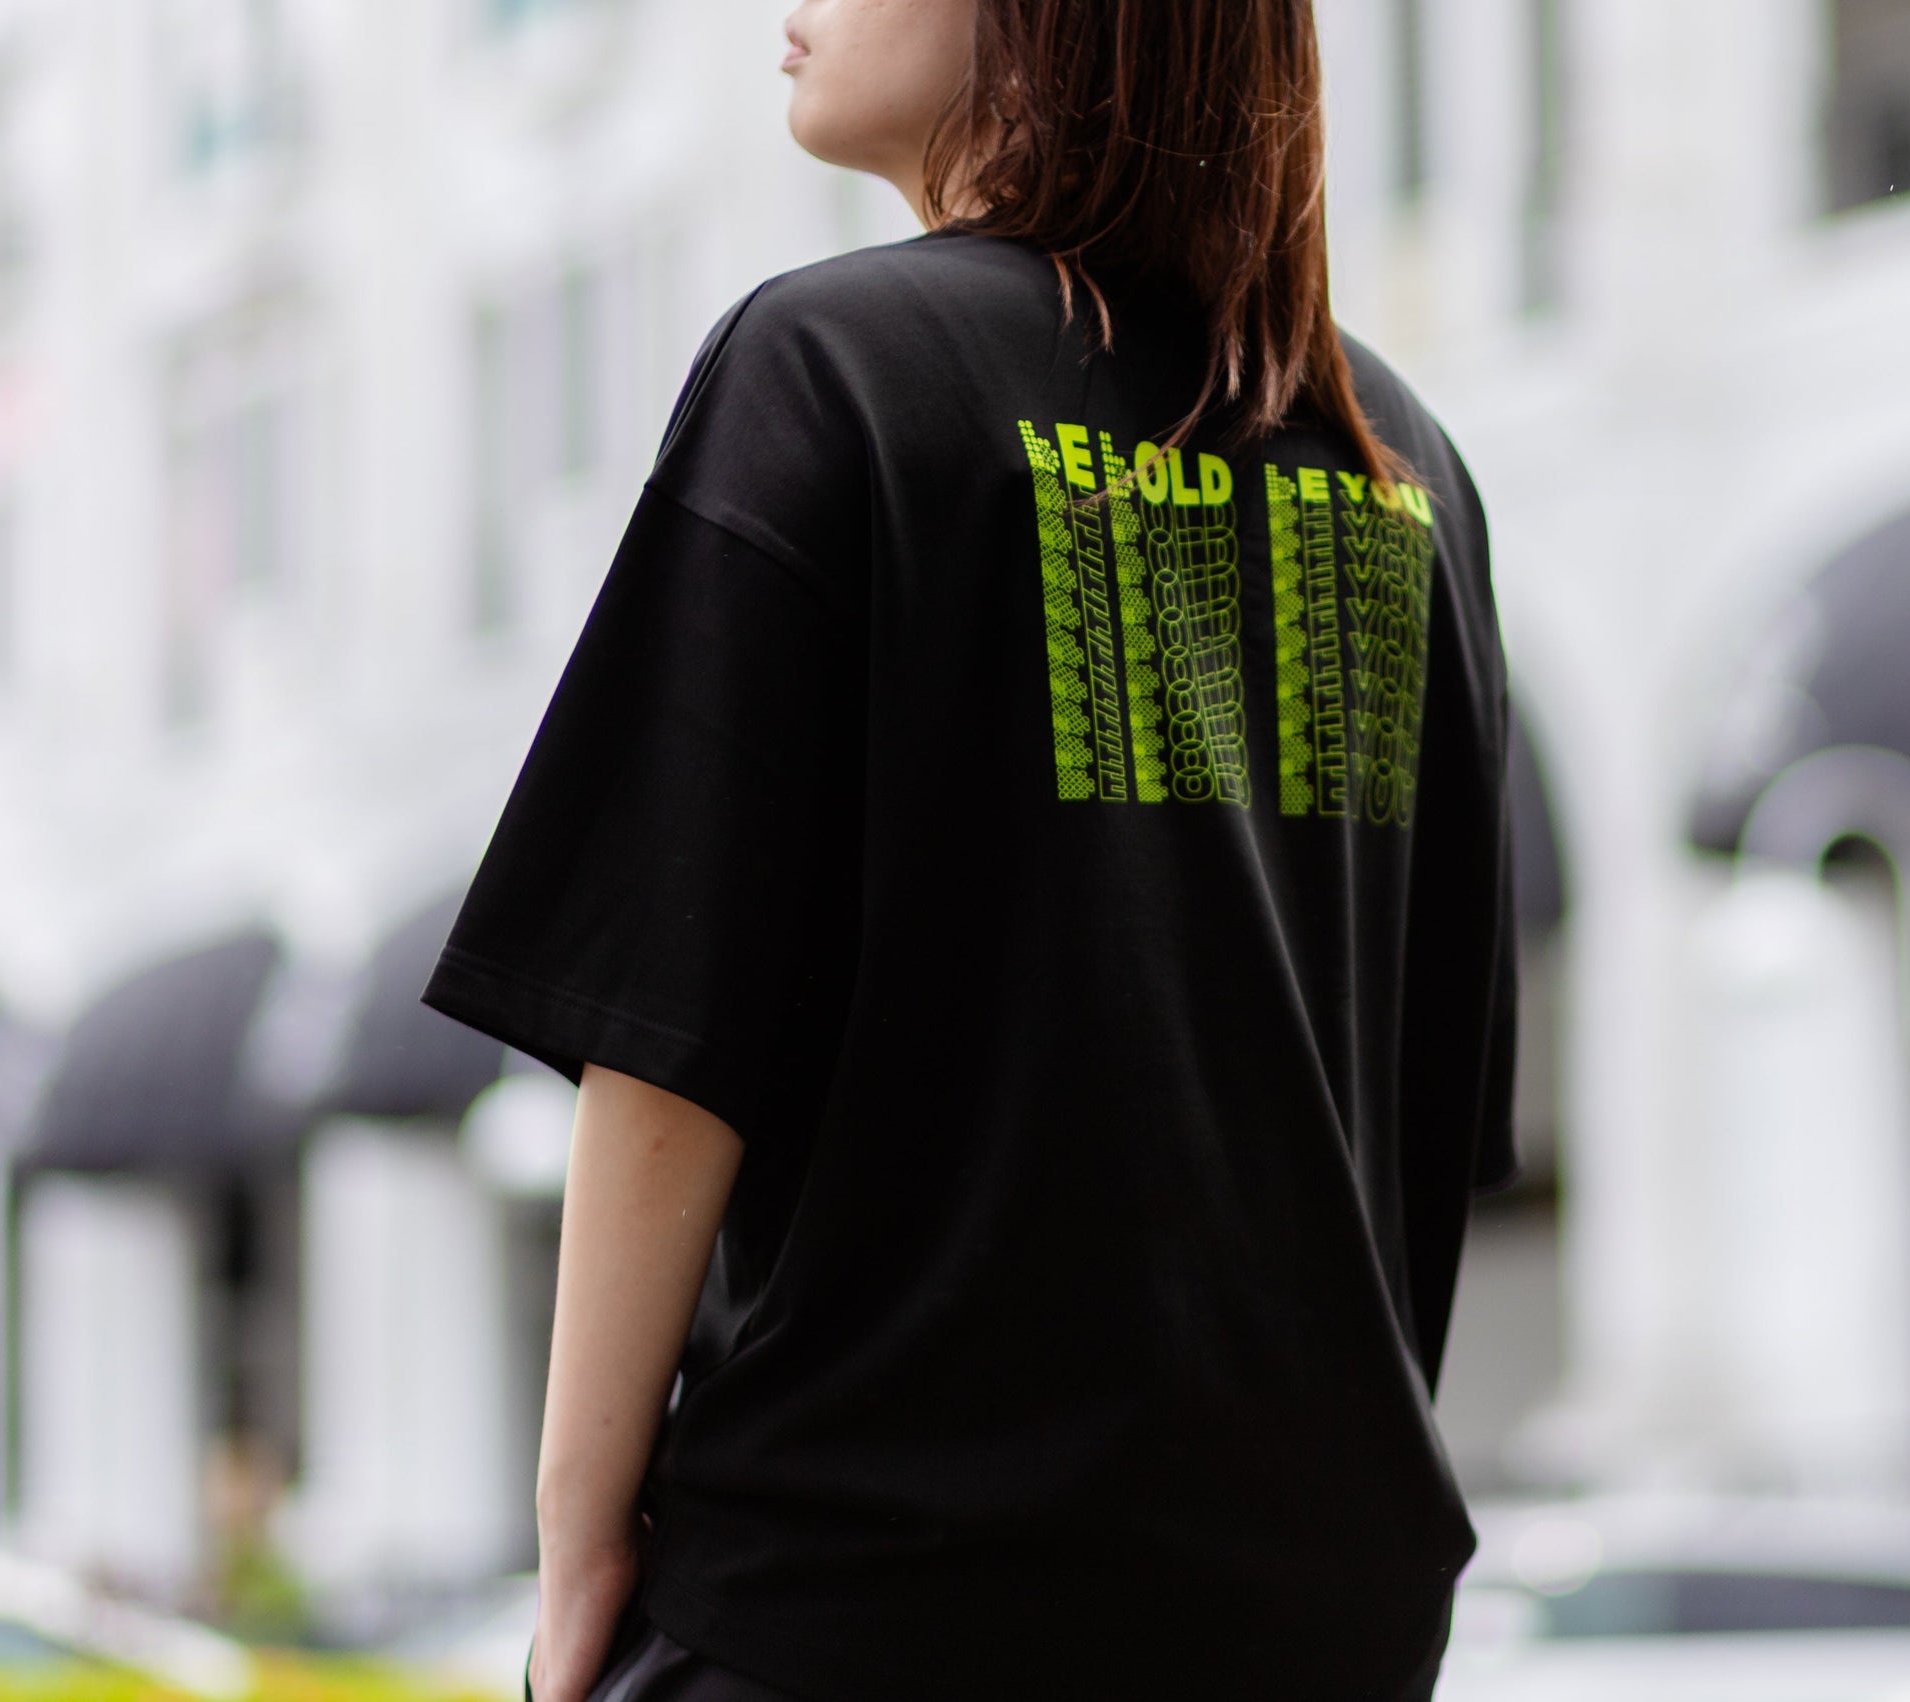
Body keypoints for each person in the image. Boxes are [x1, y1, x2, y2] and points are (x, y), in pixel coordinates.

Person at [423, 1, 1517, 1697]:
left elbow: (665, 1036)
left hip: (858, 1593)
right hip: (1314, 1623)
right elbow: (1424, 1103)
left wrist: (581, 1543)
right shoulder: (1409, 468)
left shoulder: (833, 368)